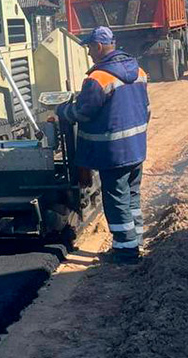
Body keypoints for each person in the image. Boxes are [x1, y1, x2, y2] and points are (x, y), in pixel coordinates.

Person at [56, 26, 150, 263]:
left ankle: (126, 252)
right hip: (136, 149)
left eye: (89, 47)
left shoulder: (98, 78)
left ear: (99, 46)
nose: (88, 53)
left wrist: (61, 112)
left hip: (113, 153)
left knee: (116, 199)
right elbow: (146, 110)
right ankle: (135, 240)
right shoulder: (139, 71)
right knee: (132, 196)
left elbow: (83, 112)